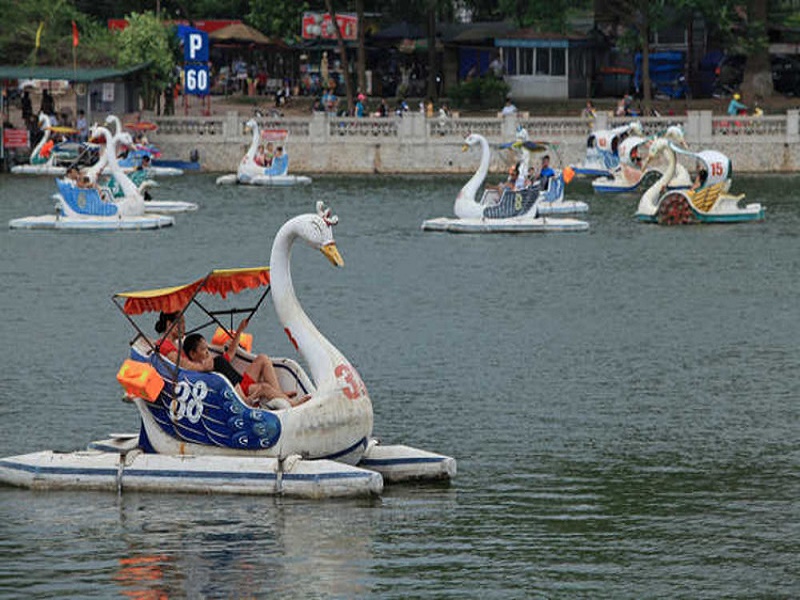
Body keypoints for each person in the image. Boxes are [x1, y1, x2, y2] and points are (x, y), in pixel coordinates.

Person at [154, 312, 306, 409]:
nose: (184, 326)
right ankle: (291, 403)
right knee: (221, 363)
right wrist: (206, 366)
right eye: (180, 323)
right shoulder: (166, 346)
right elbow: (185, 366)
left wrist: (239, 330)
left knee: (262, 359)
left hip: (236, 381)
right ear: (169, 324)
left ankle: (280, 394)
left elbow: (230, 354)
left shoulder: (179, 346)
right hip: (225, 386)